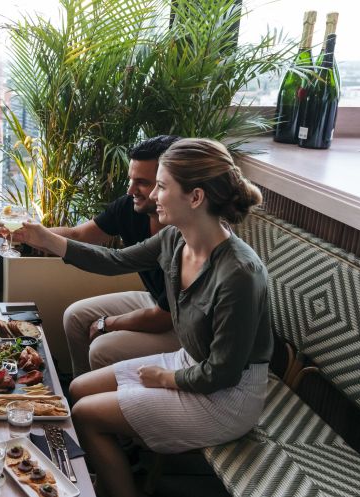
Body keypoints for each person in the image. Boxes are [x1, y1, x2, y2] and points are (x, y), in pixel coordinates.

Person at [14, 138, 272, 497]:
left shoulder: (239, 274)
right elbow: (113, 261)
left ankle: (113, 485)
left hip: (227, 396)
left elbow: (223, 372)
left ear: (195, 197)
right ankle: (115, 467)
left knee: (86, 414)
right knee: (76, 389)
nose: (154, 197)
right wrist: (44, 238)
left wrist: (165, 378)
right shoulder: (174, 239)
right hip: (192, 363)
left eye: (162, 187)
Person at [15, 135, 181, 377]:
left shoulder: (183, 233)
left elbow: (163, 318)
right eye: (131, 179)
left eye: (143, 183)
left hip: (179, 324)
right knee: (75, 316)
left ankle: (102, 401)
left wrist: (107, 323)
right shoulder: (130, 207)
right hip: (157, 302)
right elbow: (79, 235)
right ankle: (81, 391)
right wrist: (27, 236)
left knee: (102, 348)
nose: (130, 190)